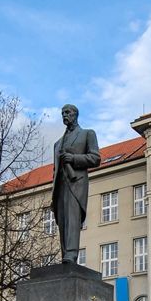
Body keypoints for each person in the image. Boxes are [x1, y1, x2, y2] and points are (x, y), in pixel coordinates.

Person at [52, 104, 101, 264]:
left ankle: (71, 255)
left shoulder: (87, 134)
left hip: (76, 183)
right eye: (62, 113)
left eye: (67, 112)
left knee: (72, 220)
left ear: (75, 114)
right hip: (60, 186)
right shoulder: (57, 144)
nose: (64, 115)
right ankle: (65, 256)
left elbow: (95, 158)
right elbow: (55, 170)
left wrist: (73, 159)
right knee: (63, 223)